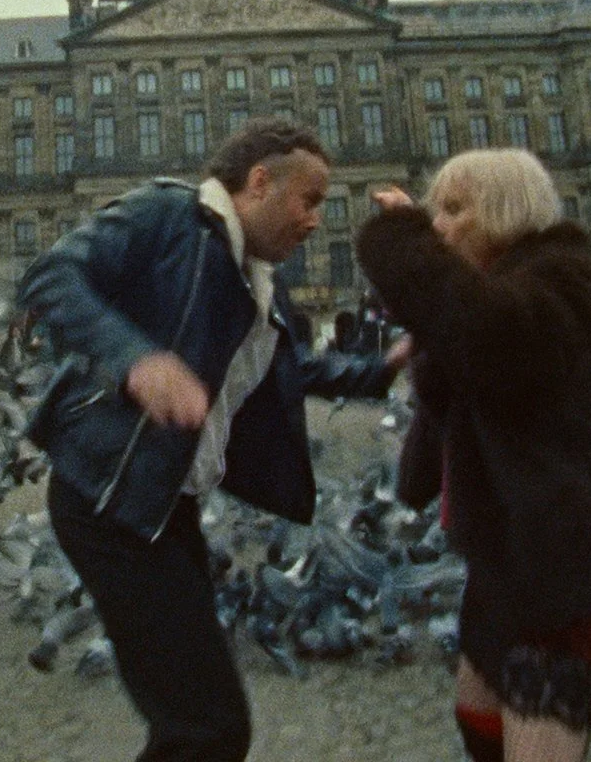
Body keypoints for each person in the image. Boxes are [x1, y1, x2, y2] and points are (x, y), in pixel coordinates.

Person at [23, 119, 403, 761]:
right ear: (259, 181)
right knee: (207, 730)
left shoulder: (257, 277)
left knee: (203, 726)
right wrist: (137, 360)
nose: (317, 220)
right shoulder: (168, 214)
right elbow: (51, 277)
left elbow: (290, 369)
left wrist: (383, 369)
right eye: (309, 200)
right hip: (108, 500)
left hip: (167, 508)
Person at [356, 150, 591, 762]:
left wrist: (401, 239)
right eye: (434, 212)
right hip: (509, 549)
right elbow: (469, 371)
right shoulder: (516, 288)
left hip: (564, 555)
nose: (439, 227)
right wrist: (415, 482)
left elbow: (485, 336)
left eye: (453, 210)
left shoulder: (569, 284)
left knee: (537, 739)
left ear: (502, 211)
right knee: (477, 708)